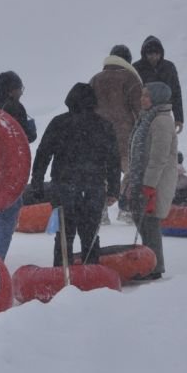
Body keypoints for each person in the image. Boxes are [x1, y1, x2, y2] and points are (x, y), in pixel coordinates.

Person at [30, 83, 121, 267]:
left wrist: (37, 183)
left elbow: (43, 154)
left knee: (64, 235)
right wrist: (113, 189)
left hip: (64, 186)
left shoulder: (59, 123)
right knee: (90, 235)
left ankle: (62, 275)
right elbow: (113, 160)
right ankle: (92, 274)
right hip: (93, 187)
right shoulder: (103, 125)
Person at [0, 70, 37, 259]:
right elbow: (25, 137)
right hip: (10, 174)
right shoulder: (15, 108)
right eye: (20, 89)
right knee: (5, 222)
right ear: (12, 90)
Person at [127, 82, 178, 280]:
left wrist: (149, 185)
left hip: (156, 181)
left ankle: (155, 267)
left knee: (150, 223)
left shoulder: (162, 121)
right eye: (142, 95)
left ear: (157, 99)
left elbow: (159, 157)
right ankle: (150, 262)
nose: (142, 99)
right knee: (143, 221)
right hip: (144, 178)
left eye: (147, 96)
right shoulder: (147, 118)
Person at [89, 44, 142, 225]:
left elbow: (88, 106)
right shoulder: (131, 78)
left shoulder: (95, 79)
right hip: (125, 136)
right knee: (132, 171)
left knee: (101, 173)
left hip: (98, 135)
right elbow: (140, 108)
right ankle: (126, 209)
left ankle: (101, 211)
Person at [133, 36, 185, 134]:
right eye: (150, 54)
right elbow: (133, 94)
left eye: (157, 54)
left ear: (161, 53)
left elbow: (176, 93)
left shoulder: (169, 67)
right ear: (144, 54)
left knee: (163, 142)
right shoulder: (136, 68)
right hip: (143, 115)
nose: (154, 57)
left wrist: (179, 118)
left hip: (164, 113)